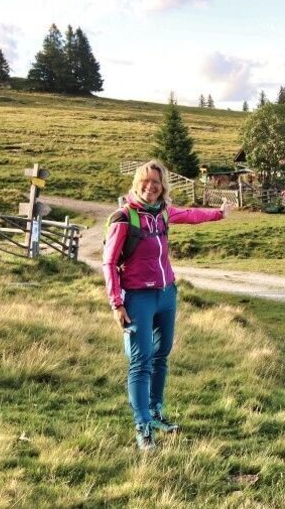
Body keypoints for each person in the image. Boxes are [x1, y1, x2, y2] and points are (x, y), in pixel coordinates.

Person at [103, 159, 233, 450]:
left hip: (166, 295)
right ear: (136, 184)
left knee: (162, 355)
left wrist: (219, 214)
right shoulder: (124, 218)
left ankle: (156, 411)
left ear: (163, 187)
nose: (150, 187)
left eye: (156, 183)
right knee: (141, 361)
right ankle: (143, 426)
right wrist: (116, 303)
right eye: (145, 182)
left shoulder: (161, 214)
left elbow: (190, 215)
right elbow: (109, 262)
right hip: (137, 298)